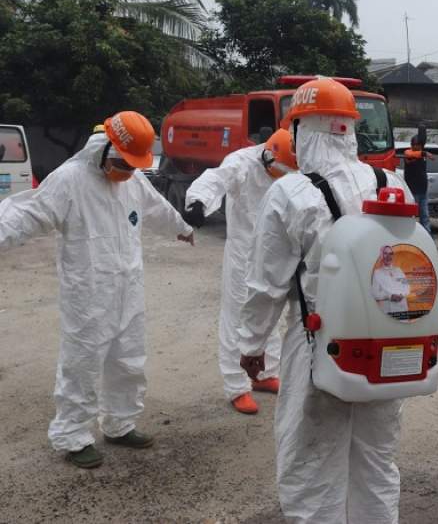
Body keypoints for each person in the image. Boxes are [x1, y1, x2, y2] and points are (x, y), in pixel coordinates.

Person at [235, 77, 411, 523]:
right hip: (388, 344)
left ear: (298, 130)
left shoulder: (292, 192)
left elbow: (265, 284)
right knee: (375, 461)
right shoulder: (391, 182)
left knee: (312, 463)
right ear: (350, 128)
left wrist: (253, 347)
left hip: (319, 342)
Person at [0, 111, 194, 468]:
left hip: (128, 289)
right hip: (87, 295)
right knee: (82, 363)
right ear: (103, 147)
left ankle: (120, 423)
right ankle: (73, 435)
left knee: (129, 360)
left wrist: (181, 228)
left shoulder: (132, 181)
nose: (128, 171)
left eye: (134, 166)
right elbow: (25, 214)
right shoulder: (69, 181)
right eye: (123, 163)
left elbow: (156, 208)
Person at [185, 129, 297, 415]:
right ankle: (237, 386)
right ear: (268, 155)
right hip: (242, 252)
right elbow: (214, 179)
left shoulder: (289, 166)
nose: (279, 177)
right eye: (277, 171)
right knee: (236, 315)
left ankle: (265, 373)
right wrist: (197, 201)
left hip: (273, 252)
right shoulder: (241, 163)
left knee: (270, 309)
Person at [403, 135, 434, 233]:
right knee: (410, 217)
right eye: (414, 145)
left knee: (425, 217)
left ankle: (428, 238)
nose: (416, 147)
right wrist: (425, 153)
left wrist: (424, 154)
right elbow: (409, 154)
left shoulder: (422, 155)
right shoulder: (408, 153)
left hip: (423, 190)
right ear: (411, 145)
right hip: (413, 191)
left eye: (418, 145)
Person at [371, 245, 410, 315]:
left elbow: (407, 287)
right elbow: (375, 294)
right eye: (385, 253)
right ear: (381, 255)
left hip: (402, 309)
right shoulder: (377, 273)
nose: (388, 256)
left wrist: (402, 295)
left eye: (391, 254)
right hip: (388, 312)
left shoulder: (399, 270)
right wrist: (390, 296)